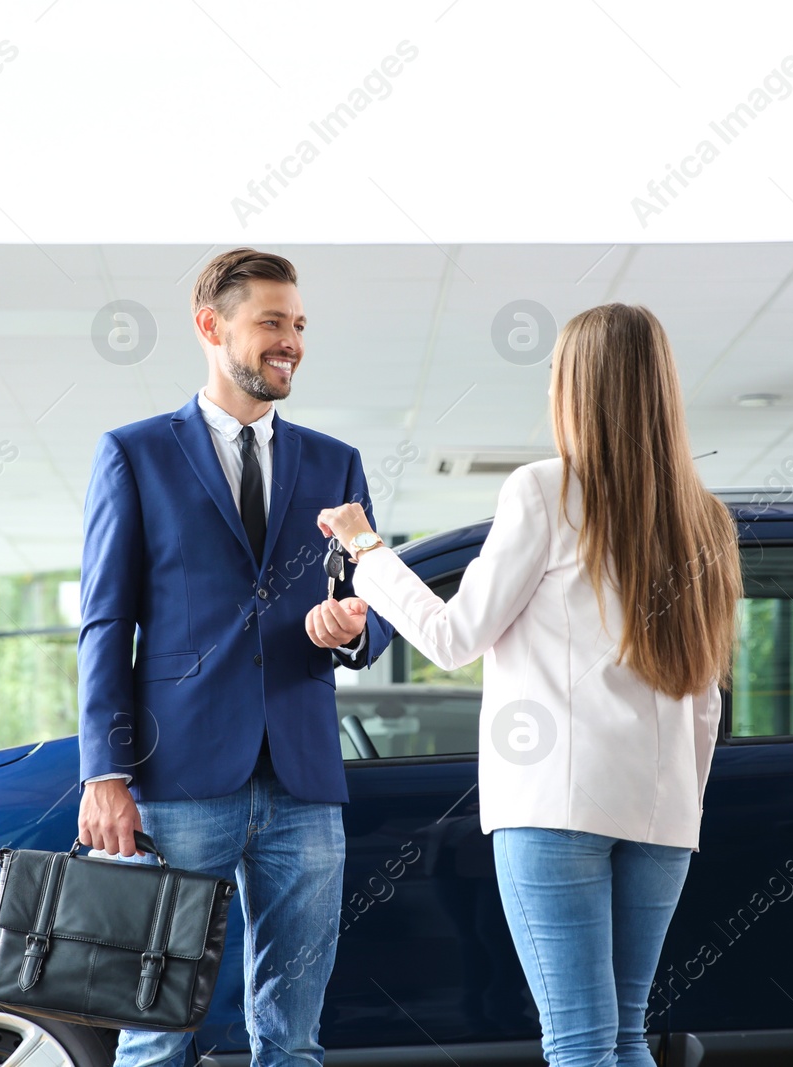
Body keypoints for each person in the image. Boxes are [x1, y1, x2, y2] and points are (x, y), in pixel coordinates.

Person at [316, 303, 741, 1067]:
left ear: (576, 387)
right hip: (665, 811)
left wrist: (366, 549)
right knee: (622, 1036)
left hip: (556, 806)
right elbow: (706, 698)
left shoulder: (546, 491)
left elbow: (453, 636)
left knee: (580, 1043)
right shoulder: (704, 516)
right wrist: (684, 798)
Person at [76, 247, 394, 1067]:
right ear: (211, 326)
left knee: (292, 1039)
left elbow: (375, 609)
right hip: (177, 778)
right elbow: (106, 623)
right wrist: (103, 773)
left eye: (298, 325)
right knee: (156, 1031)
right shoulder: (135, 454)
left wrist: (350, 626)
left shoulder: (335, 463)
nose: (291, 341)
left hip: (303, 781)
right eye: (271, 323)